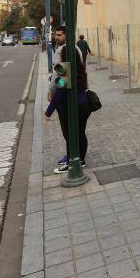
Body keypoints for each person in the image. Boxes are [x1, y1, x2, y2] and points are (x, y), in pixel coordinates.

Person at [45, 29, 92, 173]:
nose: (59, 56)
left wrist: (48, 112)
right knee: (80, 133)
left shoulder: (64, 69)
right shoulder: (80, 68)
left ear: (64, 56)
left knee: (70, 135)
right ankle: (81, 160)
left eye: (61, 55)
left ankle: (71, 163)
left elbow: (60, 92)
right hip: (84, 105)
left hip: (71, 107)